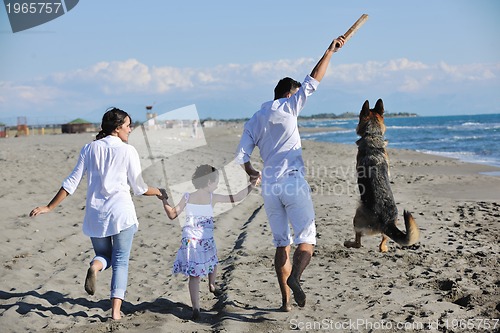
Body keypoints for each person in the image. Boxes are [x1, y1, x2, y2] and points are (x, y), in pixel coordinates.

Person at [235, 35, 345, 311]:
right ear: (288, 94)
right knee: (306, 238)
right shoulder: (289, 106)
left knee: (281, 244)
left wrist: (251, 171)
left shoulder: (254, 119)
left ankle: (285, 302)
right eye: (296, 95)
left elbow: (241, 157)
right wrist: (329, 52)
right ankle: (296, 278)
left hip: (270, 188)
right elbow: (313, 80)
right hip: (293, 183)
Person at [29, 107, 162, 320]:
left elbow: (71, 183)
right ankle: (116, 313)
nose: (131, 129)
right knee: (120, 262)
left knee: (104, 256)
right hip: (121, 214)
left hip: (96, 215)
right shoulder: (128, 150)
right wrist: (159, 192)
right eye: (128, 125)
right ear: (118, 128)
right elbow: (139, 189)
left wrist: (48, 207)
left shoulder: (89, 149)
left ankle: (95, 266)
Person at [158, 164, 259, 320]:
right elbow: (237, 197)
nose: (217, 185)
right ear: (208, 182)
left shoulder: (187, 197)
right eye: (215, 182)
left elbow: (172, 214)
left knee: (194, 277)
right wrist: (252, 184)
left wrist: (164, 199)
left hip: (190, 241)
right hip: (205, 239)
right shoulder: (213, 197)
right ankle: (212, 285)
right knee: (213, 261)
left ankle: (196, 308)